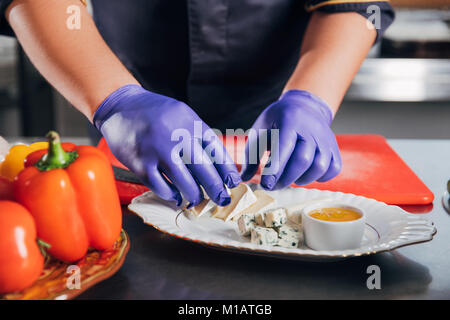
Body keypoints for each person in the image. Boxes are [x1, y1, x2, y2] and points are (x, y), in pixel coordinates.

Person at [1, 0, 394, 207]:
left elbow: (358, 3)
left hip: (270, 101)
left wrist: (311, 99)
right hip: (124, 104)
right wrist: (115, 100)